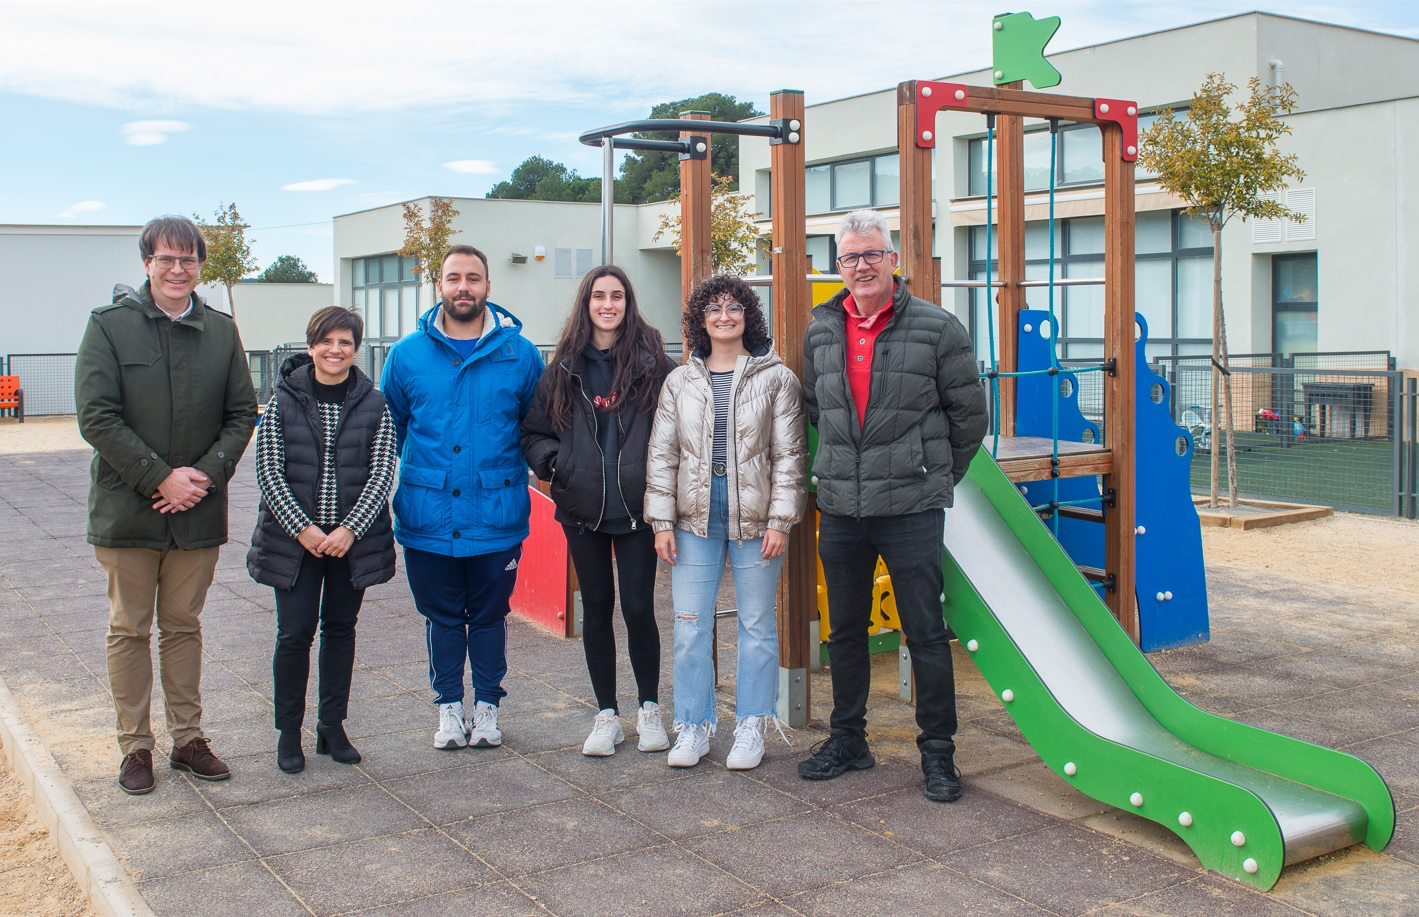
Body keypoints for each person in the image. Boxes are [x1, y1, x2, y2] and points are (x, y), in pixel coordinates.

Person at [797, 209, 988, 802]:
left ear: (893, 259)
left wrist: (932, 478)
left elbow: (970, 418)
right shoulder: (821, 329)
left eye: (872, 254)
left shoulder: (937, 328)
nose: (862, 266)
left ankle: (938, 754)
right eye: (851, 257)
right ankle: (849, 740)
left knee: (925, 633)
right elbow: (812, 410)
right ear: (837, 267)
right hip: (842, 508)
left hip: (909, 507)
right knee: (847, 632)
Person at [75, 215, 259, 795]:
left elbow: (241, 414)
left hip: (197, 511)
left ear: (199, 266)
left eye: (188, 260)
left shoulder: (223, 331)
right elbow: (97, 416)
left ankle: (187, 739)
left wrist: (201, 476)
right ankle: (135, 747)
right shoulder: (109, 326)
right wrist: (160, 478)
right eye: (166, 259)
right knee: (129, 628)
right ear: (147, 264)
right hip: (128, 511)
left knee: (183, 627)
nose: (178, 270)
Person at [381, 244, 543, 750]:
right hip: (428, 514)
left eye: (473, 278)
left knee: (491, 616)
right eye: (454, 278)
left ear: (488, 287)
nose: (463, 287)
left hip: (495, 514)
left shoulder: (522, 354)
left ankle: (488, 708)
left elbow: (535, 428)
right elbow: (392, 429)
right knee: (443, 617)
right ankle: (449, 708)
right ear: (440, 286)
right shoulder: (406, 355)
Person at [645, 274, 807, 770]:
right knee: (690, 624)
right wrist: (661, 520)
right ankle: (693, 725)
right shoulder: (680, 380)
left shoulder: (776, 378)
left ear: (748, 316)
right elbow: (662, 453)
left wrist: (781, 520)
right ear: (700, 319)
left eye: (733, 307)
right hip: (694, 518)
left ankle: (751, 725)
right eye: (713, 308)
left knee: (757, 625)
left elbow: (789, 456)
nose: (723, 316)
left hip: (757, 520)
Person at [521, 266, 676, 757]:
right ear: (585, 303)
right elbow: (533, 432)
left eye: (617, 296)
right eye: (598, 296)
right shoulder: (564, 366)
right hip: (582, 509)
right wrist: (558, 466)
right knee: (596, 609)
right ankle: (606, 713)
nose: (607, 304)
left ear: (628, 304)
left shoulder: (655, 364)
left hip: (637, 510)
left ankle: (649, 709)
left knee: (637, 609)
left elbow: (681, 425)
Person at [247, 307, 397, 773]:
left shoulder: (375, 403)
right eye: (327, 342)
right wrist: (306, 530)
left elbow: (382, 471)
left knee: (340, 631)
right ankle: (287, 732)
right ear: (310, 345)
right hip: (296, 543)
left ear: (356, 349)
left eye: (346, 343)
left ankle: (331, 725)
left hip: (351, 543)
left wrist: (348, 530)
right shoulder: (282, 401)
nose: (336, 350)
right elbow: (269, 472)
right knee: (294, 634)